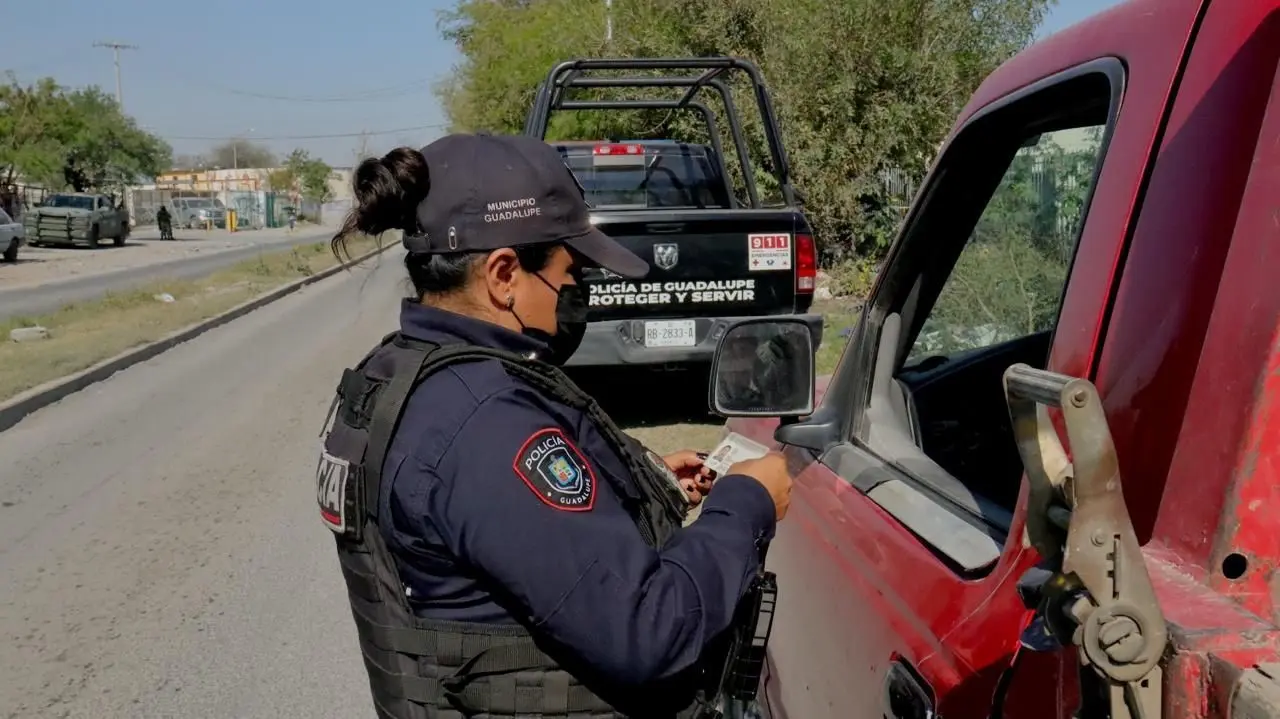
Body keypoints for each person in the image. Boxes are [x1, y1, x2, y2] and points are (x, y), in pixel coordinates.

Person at [316, 132, 795, 719]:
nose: (577, 292)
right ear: (503, 275)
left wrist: (639, 485)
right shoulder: (483, 423)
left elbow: (500, 538)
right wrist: (746, 503)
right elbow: (652, 632)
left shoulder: (402, 375)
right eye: (570, 273)